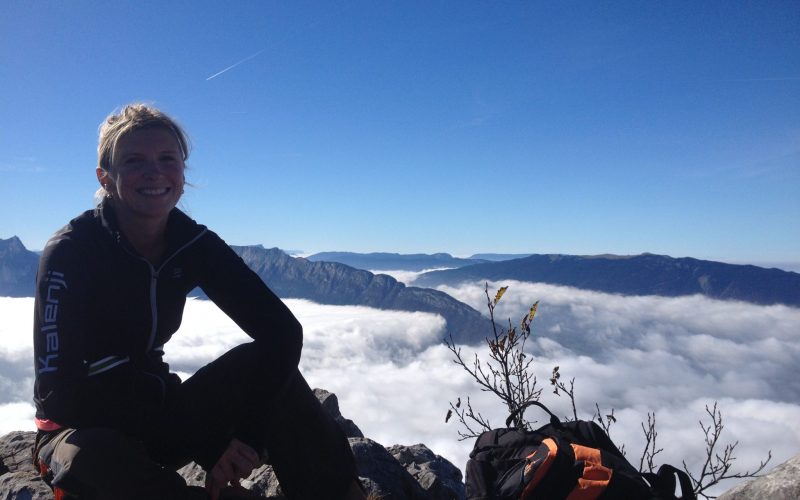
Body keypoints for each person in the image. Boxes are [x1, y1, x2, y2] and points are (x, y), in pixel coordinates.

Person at [32, 103, 366, 500]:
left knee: (274, 373)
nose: (154, 171)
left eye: (167, 158)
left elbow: (281, 333)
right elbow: (57, 393)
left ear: (182, 173)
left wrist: (245, 438)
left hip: (159, 414)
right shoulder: (72, 251)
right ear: (106, 178)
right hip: (77, 428)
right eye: (135, 160)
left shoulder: (191, 244)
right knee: (93, 459)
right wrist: (209, 444)